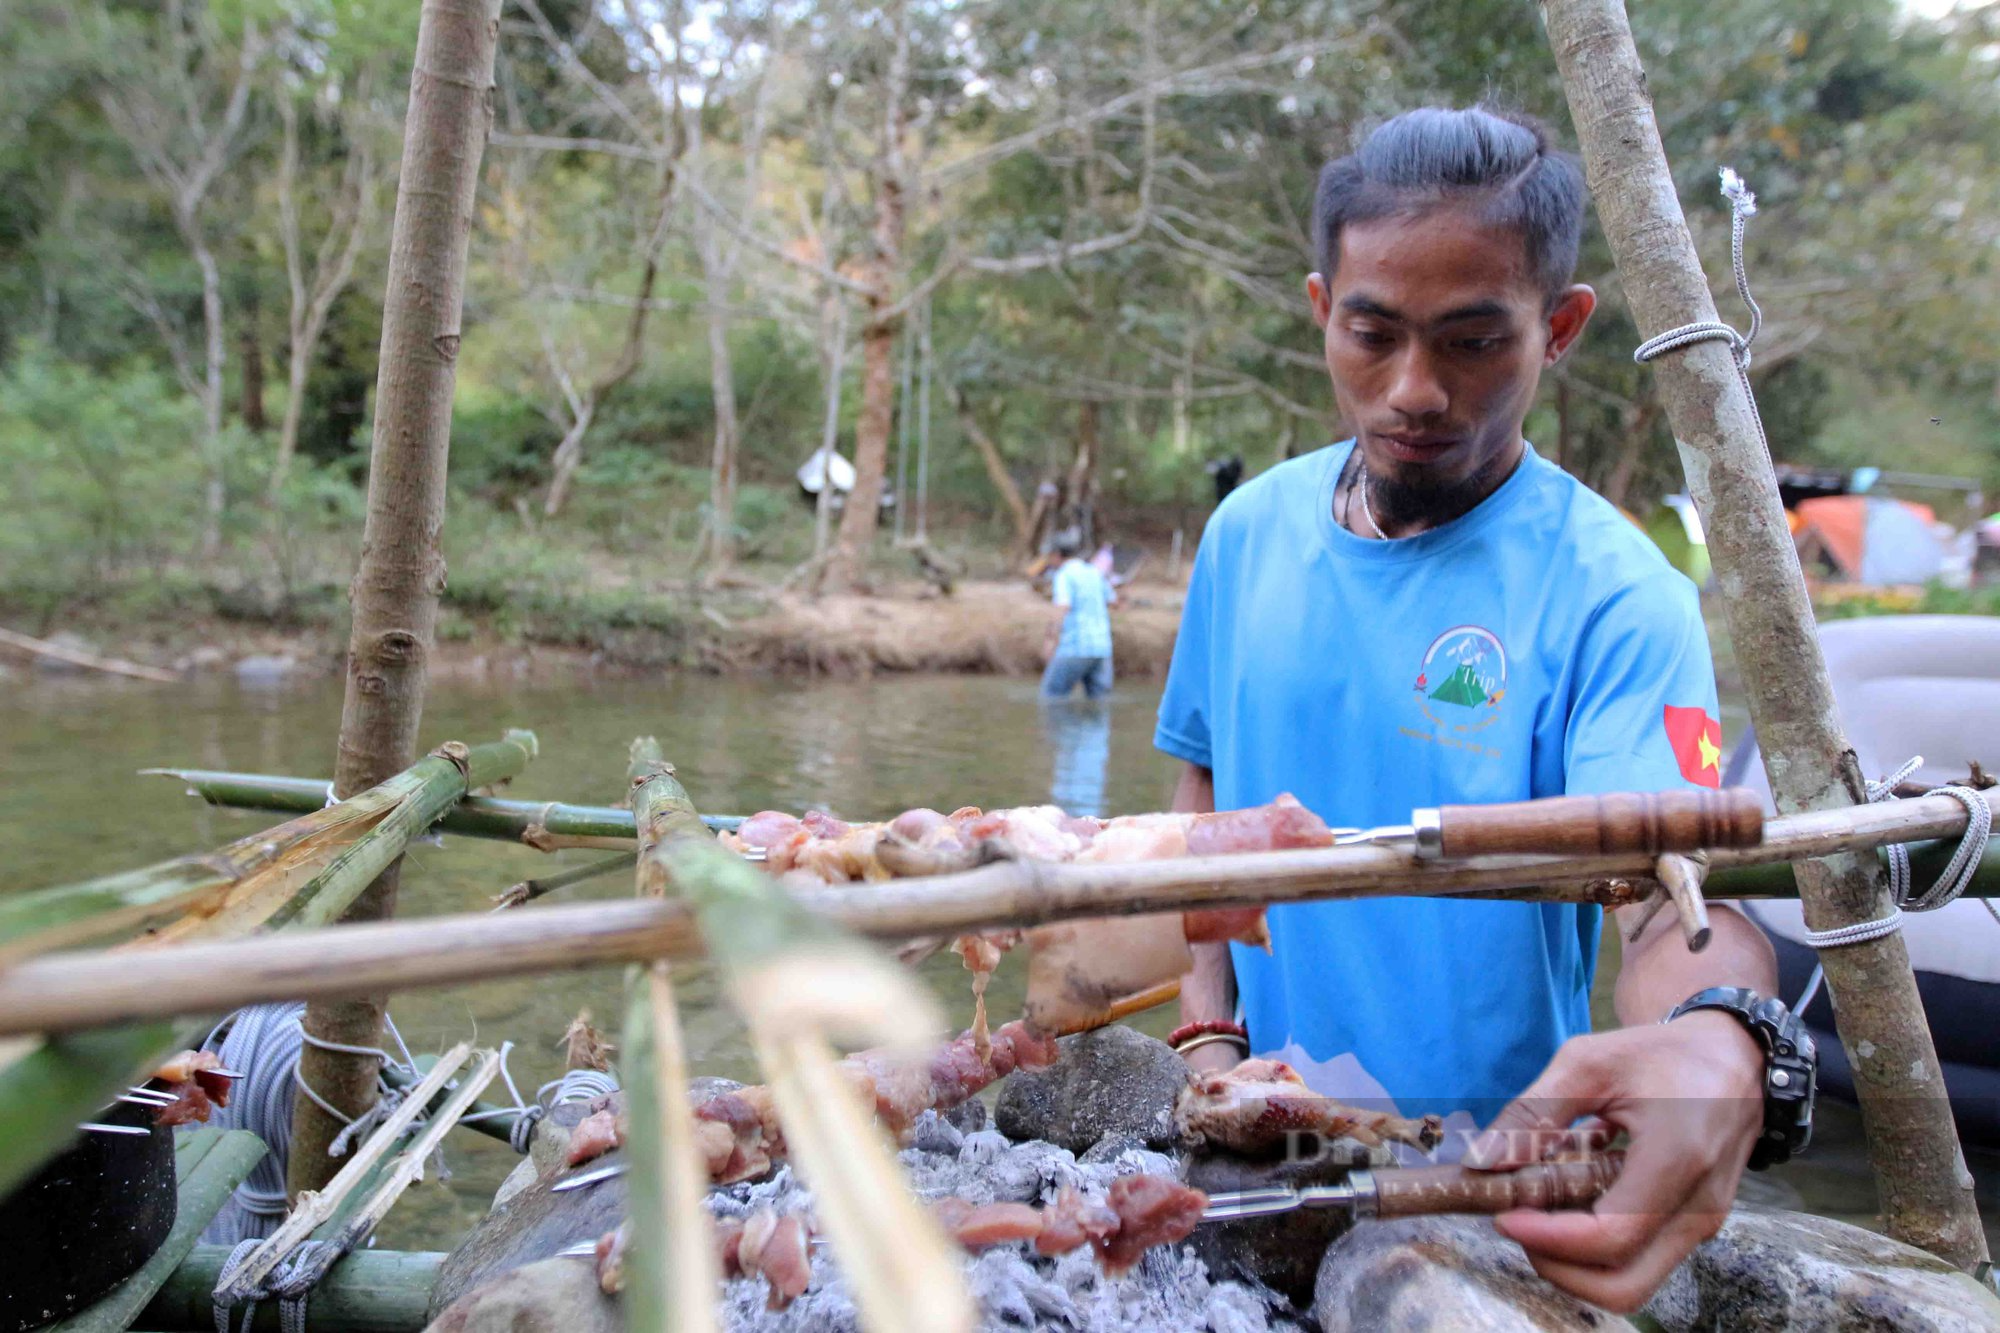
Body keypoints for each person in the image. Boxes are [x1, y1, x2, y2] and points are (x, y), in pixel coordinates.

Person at [1155, 106, 1801, 1314]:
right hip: (1259, 1136)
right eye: (1372, 334)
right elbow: (1201, 788)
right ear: (1320, 308)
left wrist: (1718, 1034)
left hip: (1482, 1178)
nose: (1412, 391)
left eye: (1469, 340)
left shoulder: (1620, 597)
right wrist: (1207, 1036)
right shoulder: (1244, 535)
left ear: (1556, 329)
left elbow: (1672, 898)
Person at [1040, 533, 1117, 699]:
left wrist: (1050, 639)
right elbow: (1112, 601)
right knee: (1099, 704)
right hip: (1102, 648)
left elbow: (1062, 607)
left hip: (1074, 647)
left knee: (1051, 697)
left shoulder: (1064, 575)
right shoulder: (1094, 572)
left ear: (1057, 555)